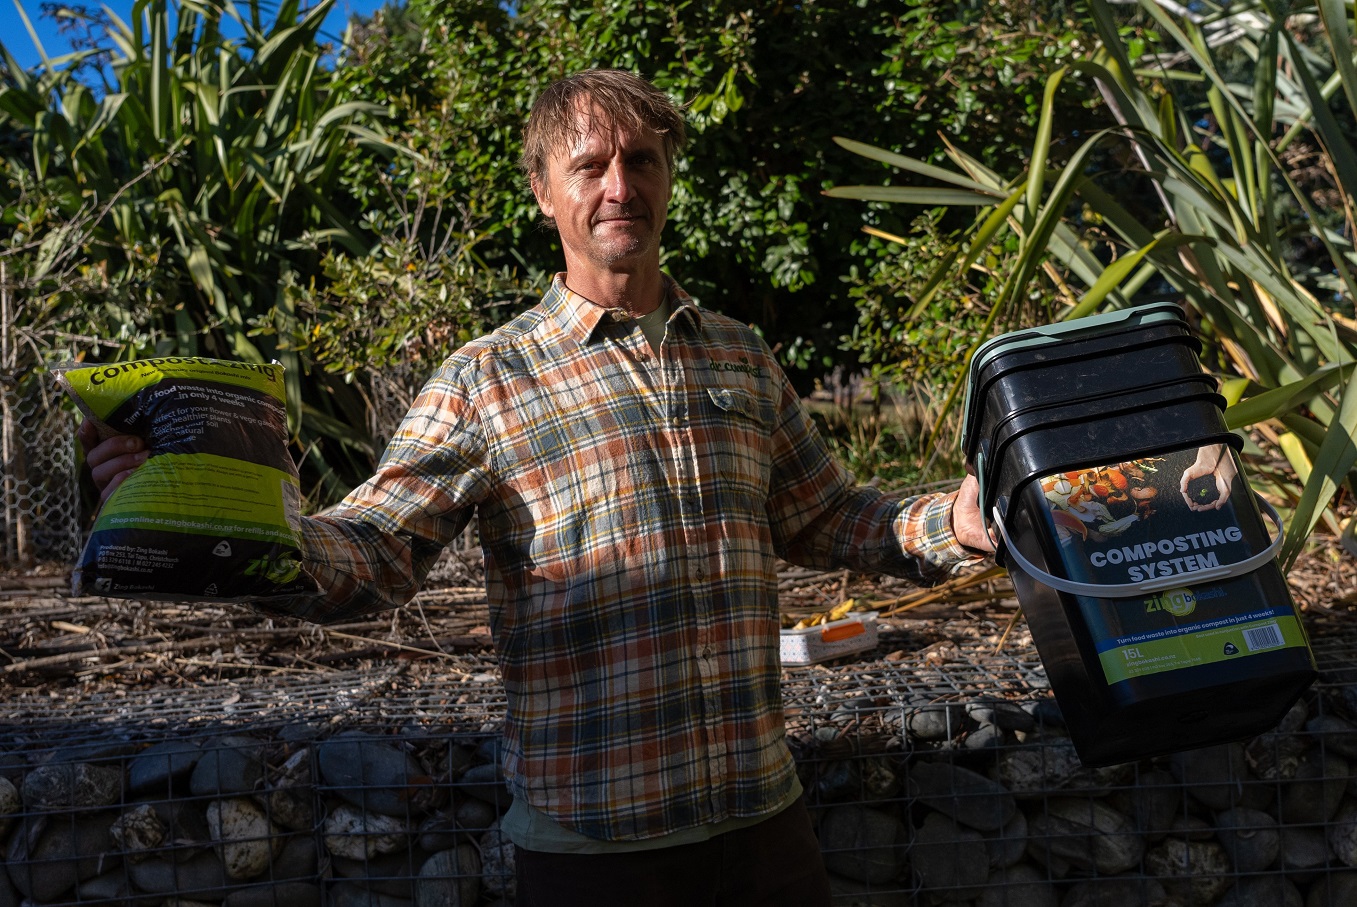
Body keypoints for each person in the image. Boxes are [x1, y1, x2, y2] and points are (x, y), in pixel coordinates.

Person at [82, 69, 994, 907]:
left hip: (765, 823)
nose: (618, 187)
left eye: (640, 160)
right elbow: (376, 549)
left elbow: (829, 516)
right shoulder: (488, 378)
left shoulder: (739, 355)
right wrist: (233, 515)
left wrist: (953, 520)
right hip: (594, 852)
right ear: (543, 190)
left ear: (670, 172)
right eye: (589, 165)